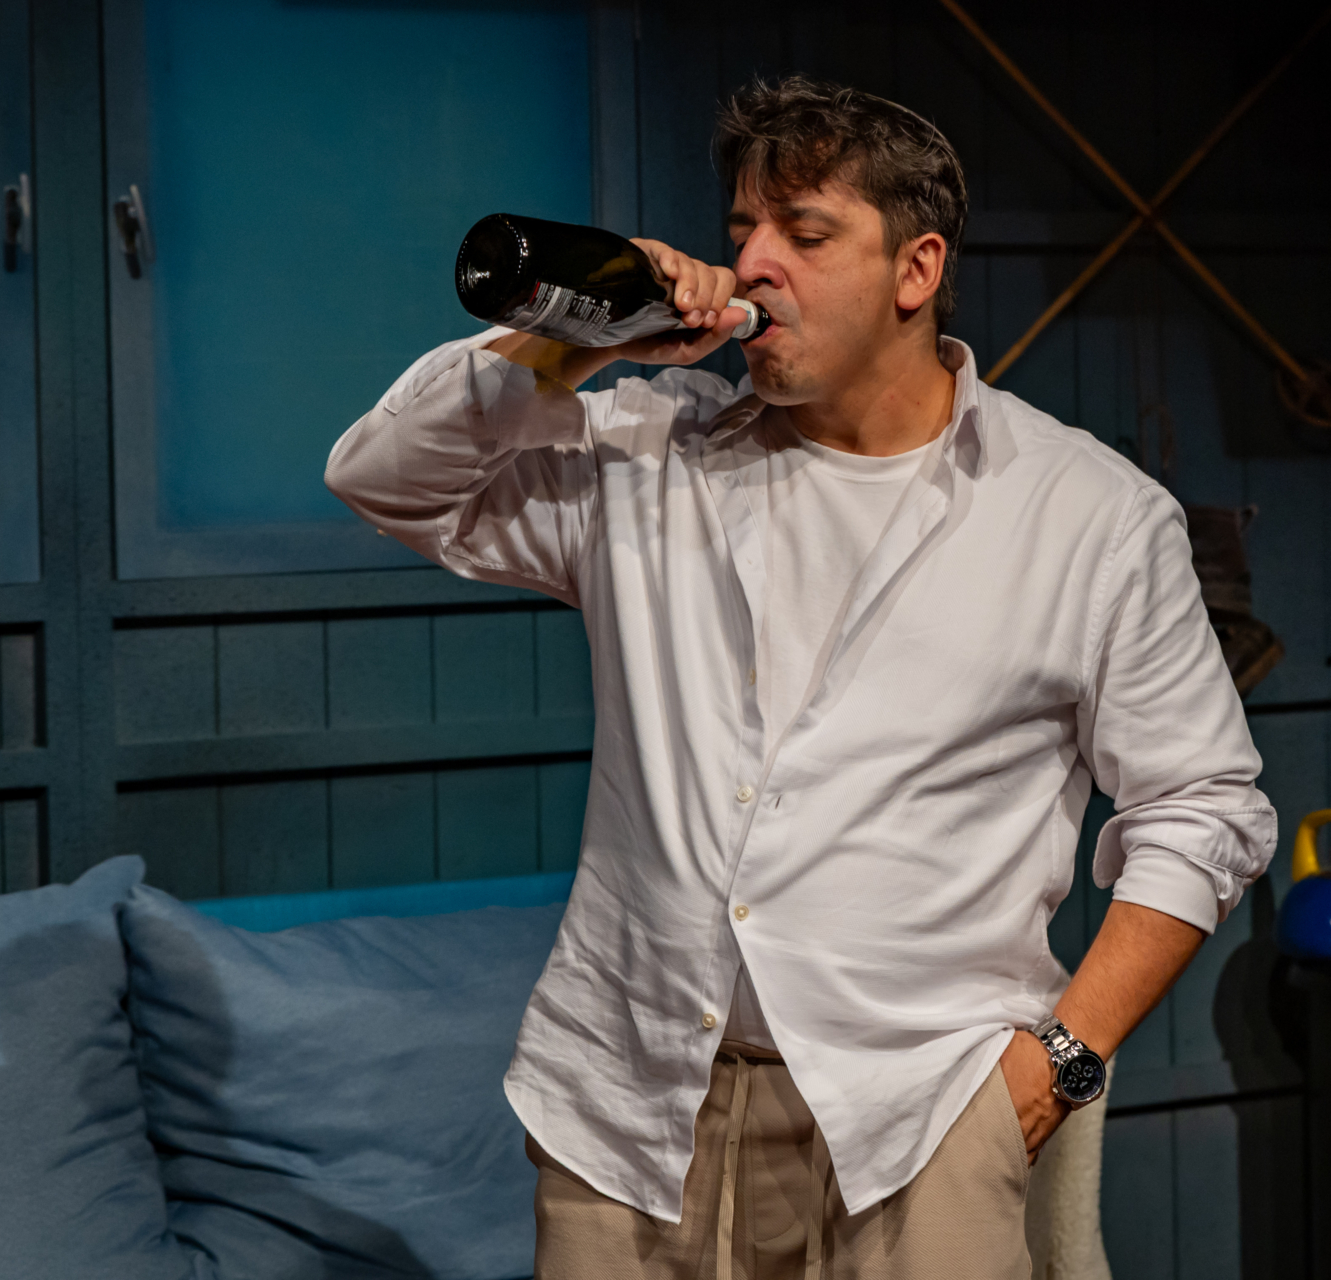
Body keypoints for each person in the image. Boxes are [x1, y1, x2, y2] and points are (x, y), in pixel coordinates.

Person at [327, 74, 1276, 1280]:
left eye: (806, 234)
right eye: (742, 231)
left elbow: (1204, 807)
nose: (754, 265)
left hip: (920, 1123)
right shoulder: (649, 451)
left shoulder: (1087, 513)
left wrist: (1058, 1066)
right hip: (628, 1113)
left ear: (916, 269)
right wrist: (576, 334)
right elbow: (385, 477)